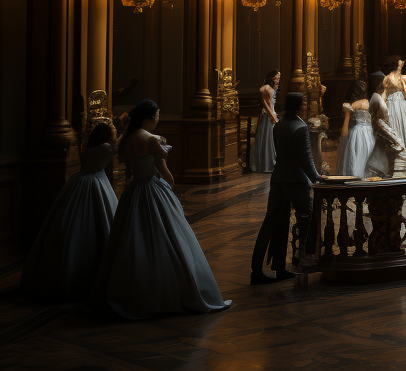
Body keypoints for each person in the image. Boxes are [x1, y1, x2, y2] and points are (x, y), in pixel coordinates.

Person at [93, 100, 230, 318]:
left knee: (131, 236)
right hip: (153, 189)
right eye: (157, 116)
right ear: (149, 118)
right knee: (168, 234)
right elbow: (164, 169)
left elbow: (124, 162)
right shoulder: (151, 139)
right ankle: (168, 288)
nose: (158, 119)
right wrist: (170, 181)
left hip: (134, 191)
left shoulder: (127, 138)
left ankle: (131, 289)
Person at [22, 118, 124, 302]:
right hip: (97, 183)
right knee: (98, 225)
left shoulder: (89, 147)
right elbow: (122, 149)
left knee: (71, 223)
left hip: (80, 181)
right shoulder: (107, 148)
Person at [250, 92, 320, 285]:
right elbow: (305, 158)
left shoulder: (278, 125)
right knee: (307, 220)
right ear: (300, 106)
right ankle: (305, 261)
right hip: (296, 182)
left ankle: (261, 269)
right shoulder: (301, 127)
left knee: (273, 224)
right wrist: (317, 178)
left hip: (278, 180)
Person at [335, 95, 376, 179]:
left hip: (362, 132)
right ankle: (358, 176)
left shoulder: (361, 104)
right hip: (363, 132)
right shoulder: (365, 103)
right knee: (358, 154)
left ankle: (360, 176)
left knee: (361, 154)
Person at [367, 88, 403, 179]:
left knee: (391, 149)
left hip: (383, 126)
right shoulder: (375, 99)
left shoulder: (378, 97)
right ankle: (387, 174)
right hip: (381, 128)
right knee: (393, 147)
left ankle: (387, 173)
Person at [249, 69, 281, 173]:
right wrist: (272, 116)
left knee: (271, 138)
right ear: (272, 77)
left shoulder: (272, 88)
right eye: (277, 77)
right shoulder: (266, 88)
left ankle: (272, 162)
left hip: (271, 114)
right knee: (267, 139)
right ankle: (266, 164)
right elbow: (266, 105)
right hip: (267, 116)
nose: (279, 79)